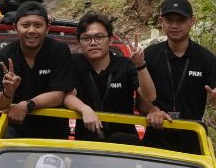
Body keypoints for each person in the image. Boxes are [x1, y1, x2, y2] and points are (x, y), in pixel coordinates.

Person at [139, 0, 216, 154]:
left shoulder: (206, 59)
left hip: (192, 142)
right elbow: (139, 100)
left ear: (192, 21)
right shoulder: (149, 56)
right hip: (156, 140)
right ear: (162, 22)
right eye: (169, 20)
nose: (174, 25)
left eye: (180, 20)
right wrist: (152, 110)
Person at [62, 12, 158, 144]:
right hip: (85, 144)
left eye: (99, 37)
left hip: (124, 143)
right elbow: (68, 96)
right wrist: (84, 109)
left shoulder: (125, 65)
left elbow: (150, 97)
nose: (93, 43)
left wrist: (140, 65)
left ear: (111, 40)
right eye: (86, 38)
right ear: (79, 42)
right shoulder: (74, 63)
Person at [0, 1, 75, 139]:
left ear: (47, 28)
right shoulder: (0, 57)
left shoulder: (59, 51)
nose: (31, 30)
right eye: (25, 25)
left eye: (38, 25)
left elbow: (58, 95)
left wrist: (26, 105)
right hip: (14, 131)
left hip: (54, 131)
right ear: (15, 27)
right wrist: (7, 92)